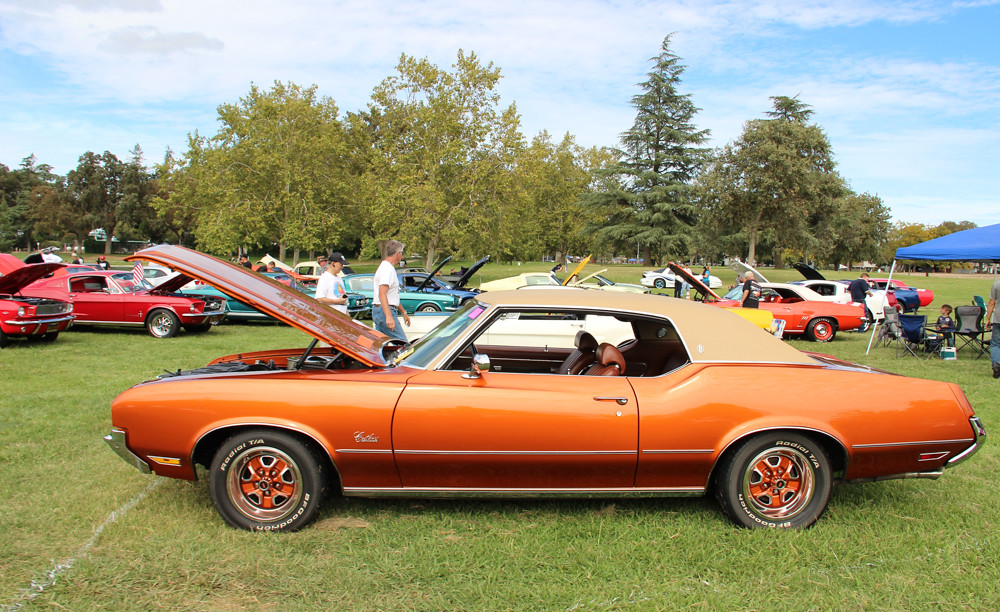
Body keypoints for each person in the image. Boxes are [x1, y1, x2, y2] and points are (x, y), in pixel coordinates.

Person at [372, 240, 409, 341]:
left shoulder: (386, 267)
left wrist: (403, 312)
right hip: (384, 311)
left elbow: (392, 296)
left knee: (382, 345)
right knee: (403, 344)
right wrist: (388, 316)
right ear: (398, 253)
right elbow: (382, 293)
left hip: (381, 310)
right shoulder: (387, 270)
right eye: (401, 253)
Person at [987, 279, 1000, 378]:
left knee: (995, 343)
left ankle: (996, 363)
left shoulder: (997, 284)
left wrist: (988, 318)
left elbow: (992, 302)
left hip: (998, 318)